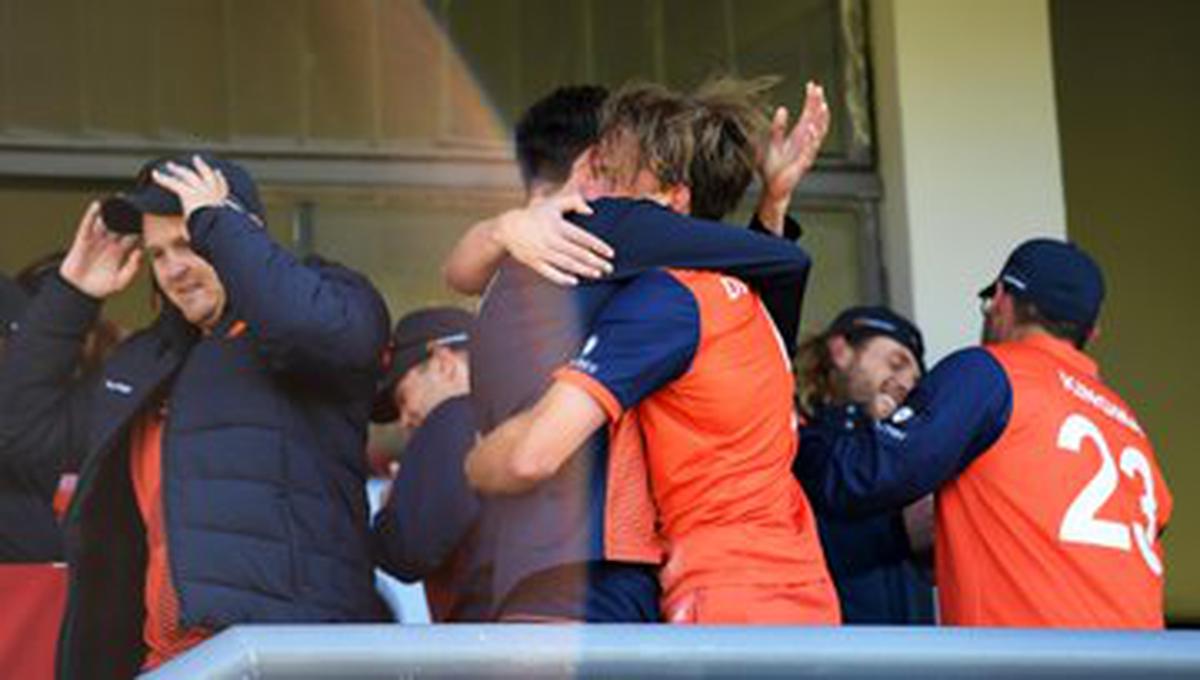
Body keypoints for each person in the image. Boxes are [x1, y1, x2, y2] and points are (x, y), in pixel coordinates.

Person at [448, 78, 828, 623]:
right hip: (597, 561)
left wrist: (499, 227)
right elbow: (783, 269)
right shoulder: (619, 230)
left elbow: (456, 272)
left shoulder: (519, 255)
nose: (602, 168)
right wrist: (770, 209)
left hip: (523, 558)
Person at [0, 154, 391, 678]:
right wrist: (72, 295)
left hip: (289, 655)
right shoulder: (146, 359)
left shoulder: (327, 299)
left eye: (190, 243)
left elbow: (320, 333)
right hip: (164, 663)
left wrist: (220, 226)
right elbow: (25, 436)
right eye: (159, 254)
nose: (174, 269)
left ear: (240, 230)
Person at [795, 238, 1172, 628]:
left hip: (1033, 659)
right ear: (1092, 333)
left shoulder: (991, 372)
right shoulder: (1128, 425)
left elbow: (860, 475)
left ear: (1002, 298)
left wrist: (789, 436)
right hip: (1145, 656)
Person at [792, 306, 935, 624]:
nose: (905, 383)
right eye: (895, 363)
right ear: (840, 350)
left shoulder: (911, 451)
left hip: (919, 655)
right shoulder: (800, 441)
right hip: (838, 657)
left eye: (915, 378)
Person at [370, 306, 492, 621]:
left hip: (491, 637)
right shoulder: (529, 414)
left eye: (402, 398)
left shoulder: (454, 415)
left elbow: (408, 549)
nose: (404, 421)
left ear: (443, 363)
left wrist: (391, 509)